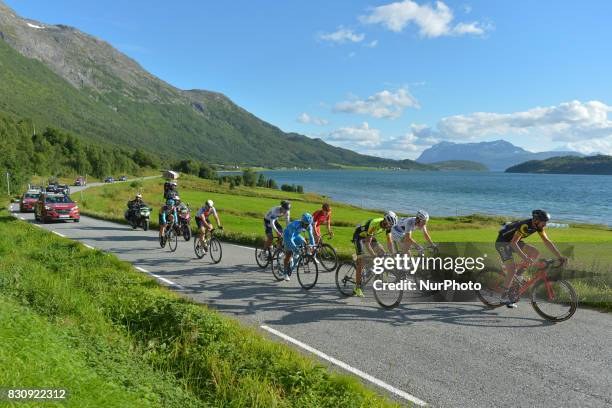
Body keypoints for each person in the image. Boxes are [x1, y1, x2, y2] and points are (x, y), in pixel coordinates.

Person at [495, 209, 567, 308]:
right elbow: (513, 243)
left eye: (546, 222)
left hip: (513, 242)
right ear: (536, 220)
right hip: (502, 243)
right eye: (544, 222)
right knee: (511, 271)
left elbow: (547, 241)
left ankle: (518, 275)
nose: (545, 225)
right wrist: (524, 257)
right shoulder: (525, 226)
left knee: (535, 252)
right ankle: (503, 297)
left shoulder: (538, 227)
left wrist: (560, 256)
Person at [351, 211, 397, 297]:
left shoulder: (388, 226)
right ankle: (357, 288)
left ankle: (375, 272)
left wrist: (393, 253)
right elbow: (367, 244)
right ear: (385, 221)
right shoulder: (374, 224)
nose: (389, 227)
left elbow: (389, 241)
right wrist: (374, 256)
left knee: (383, 253)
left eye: (391, 225)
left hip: (369, 236)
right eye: (389, 224)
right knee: (360, 262)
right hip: (359, 237)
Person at [282, 213, 315, 281]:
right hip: (288, 236)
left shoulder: (309, 225)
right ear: (302, 222)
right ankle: (285, 273)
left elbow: (311, 237)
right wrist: (295, 248)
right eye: (305, 224)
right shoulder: (295, 225)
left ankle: (295, 259)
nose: (307, 226)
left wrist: (313, 247)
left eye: (308, 224)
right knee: (289, 253)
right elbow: (290, 239)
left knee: (305, 243)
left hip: (296, 236)